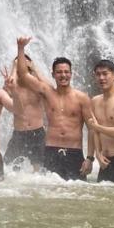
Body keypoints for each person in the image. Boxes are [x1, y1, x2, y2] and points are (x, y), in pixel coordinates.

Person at [16, 36, 94, 181]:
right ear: (53, 74)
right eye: (59, 72)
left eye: (66, 72)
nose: (63, 75)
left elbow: (92, 129)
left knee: (77, 195)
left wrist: (90, 158)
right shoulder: (47, 93)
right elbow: (23, 75)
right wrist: (21, 48)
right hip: (51, 151)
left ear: (71, 74)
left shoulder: (82, 98)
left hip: (74, 153)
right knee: (50, 194)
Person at [2, 55, 46, 170]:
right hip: (19, 134)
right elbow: (7, 89)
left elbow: (49, 88)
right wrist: (14, 66)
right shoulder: (13, 85)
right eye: (19, 67)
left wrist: (34, 68)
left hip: (38, 134)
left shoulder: (37, 85)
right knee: (8, 169)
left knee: (39, 172)